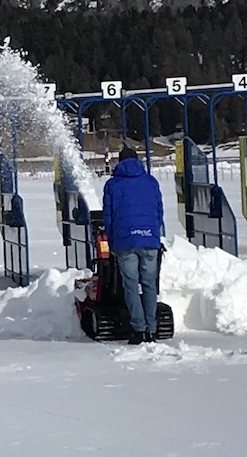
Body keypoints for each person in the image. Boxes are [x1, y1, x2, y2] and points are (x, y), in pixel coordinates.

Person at [101, 145, 165, 345]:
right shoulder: (151, 182)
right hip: (149, 238)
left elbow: (108, 216)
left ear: (119, 162)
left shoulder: (112, 185)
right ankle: (152, 329)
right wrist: (154, 233)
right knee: (149, 284)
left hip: (125, 240)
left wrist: (112, 241)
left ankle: (138, 328)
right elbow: (158, 211)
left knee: (130, 285)